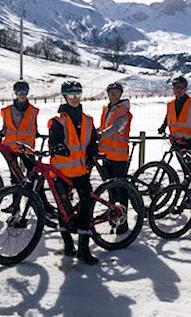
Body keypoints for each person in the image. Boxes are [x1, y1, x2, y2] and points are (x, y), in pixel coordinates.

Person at [48, 80, 101, 264]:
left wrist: (93, 153)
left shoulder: (88, 120)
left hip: (81, 172)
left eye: (78, 93)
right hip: (61, 173)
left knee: (87, 204)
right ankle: (68, 246)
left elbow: (93, 141)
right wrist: (58, 147)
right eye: (71, 94)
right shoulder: (58, 121)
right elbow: (53, 141)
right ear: (64, 96)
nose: (75, 97)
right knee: (64, 210)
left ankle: (84, 250)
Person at [98, 82, 133, 234]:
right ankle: (113, 216)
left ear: (120, 94)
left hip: (119, 155)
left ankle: (123, 222)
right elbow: (103, 126)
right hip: (106, 154)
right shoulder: (107, 108)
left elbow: (115, 128)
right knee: (110, 188)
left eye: (116, 92)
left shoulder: (124, 111)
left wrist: (99, 135)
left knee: (121, 189)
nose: (113, 95)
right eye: (111, 92)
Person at [158, 76, 191, 150]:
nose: (179, 90)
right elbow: (168, 117)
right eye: (177, 88)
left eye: (181, 88)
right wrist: (163, 127)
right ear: (173, 89)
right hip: (176, 141)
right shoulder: (170, 104)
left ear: (185, 89)